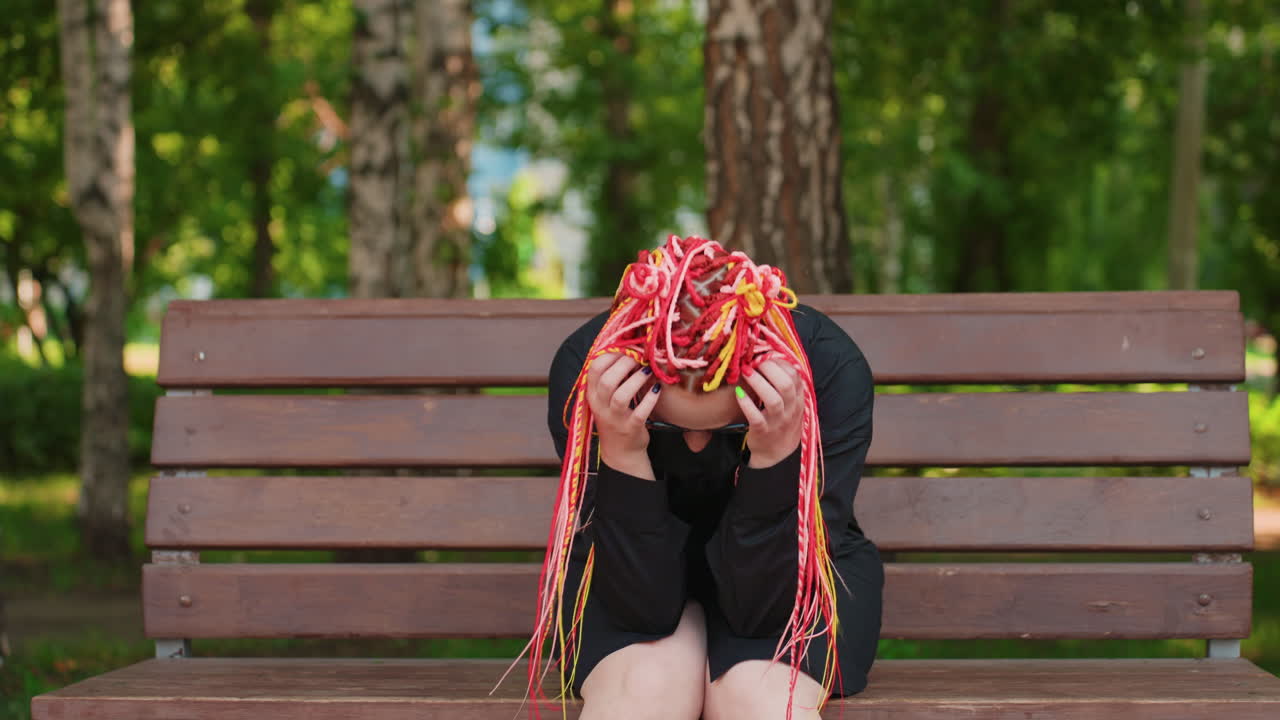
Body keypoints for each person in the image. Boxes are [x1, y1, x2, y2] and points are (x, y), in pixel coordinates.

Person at [513, 235, 883, 720]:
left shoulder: (829, 368)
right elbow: (639, 610)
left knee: (761, 696)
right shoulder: (591, 372)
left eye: (731, 428)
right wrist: (623, 451)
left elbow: (765, 613)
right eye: (665, 425)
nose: (695, 445)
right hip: (619, 570)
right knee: (644, 688)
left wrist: (774, 454)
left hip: (796, 578)